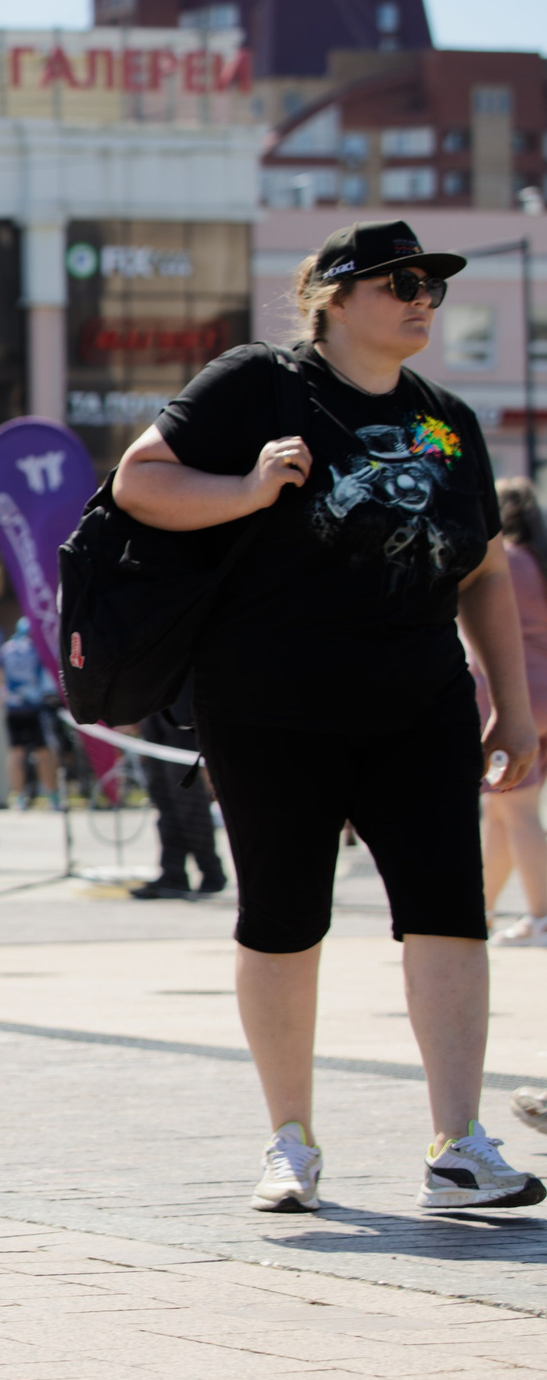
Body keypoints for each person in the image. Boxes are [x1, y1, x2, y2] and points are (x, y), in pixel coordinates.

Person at [112, 219, 543, 1214]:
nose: (421, 298)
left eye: (431, 283)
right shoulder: (259, 385)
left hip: (421, 701)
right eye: (399, 282)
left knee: (447, 912)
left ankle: (456, 1147)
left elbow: (476, 571)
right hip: (269, 701)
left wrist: (510, 711)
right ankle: (290, 1143)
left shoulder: (444, 421)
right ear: (334, 296)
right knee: (282, 917)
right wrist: (247, 486)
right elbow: (140, 482)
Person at [473, 477, 547, 948]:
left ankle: (541, 917)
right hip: (542, 693)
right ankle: (483, 910)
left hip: (509, 695)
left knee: (514, 810)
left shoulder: (506, 562)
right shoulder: (538, 561)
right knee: (501, 811)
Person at [131, 682, 226, 900]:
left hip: (185, 697)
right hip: (155, 698)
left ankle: (211, 871)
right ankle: (173, 874)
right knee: (162, 796)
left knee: (187, 799)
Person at [0, 617, 60, 809]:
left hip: (12, 708)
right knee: (43, 752)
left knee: (16, 753)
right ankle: (52, 796)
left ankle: (19, 797)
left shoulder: (5, 650)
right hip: (34, 707)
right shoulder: (39, 648)